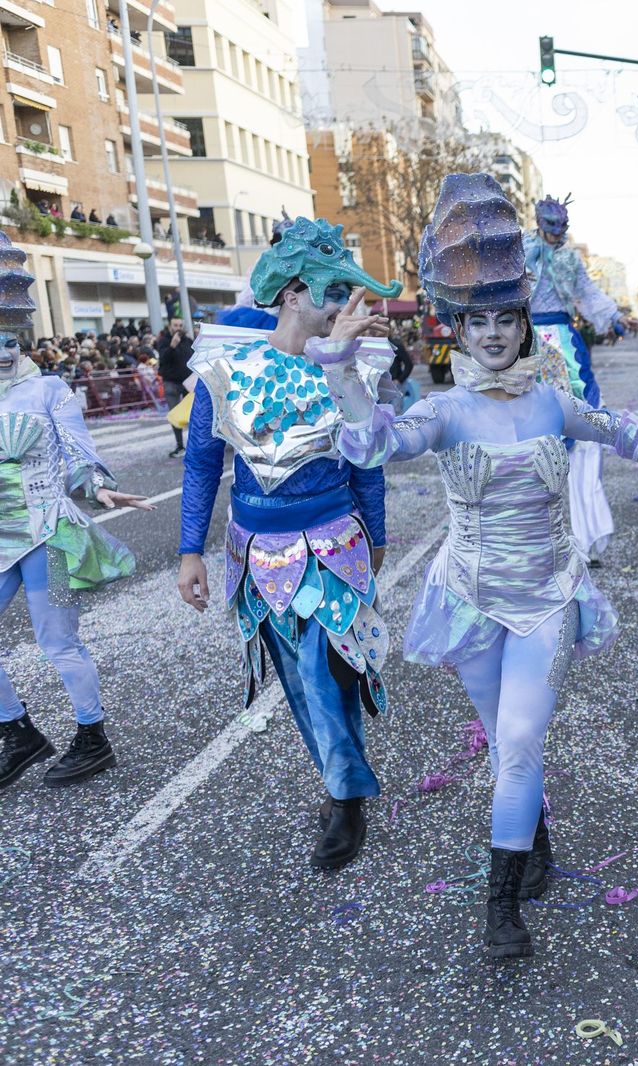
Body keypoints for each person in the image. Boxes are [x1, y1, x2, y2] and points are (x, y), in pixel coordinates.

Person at [317, 173, 638, 961]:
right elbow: (372, 445)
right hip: (470, 601)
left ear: (524, 324)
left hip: (547, 597)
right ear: (457, 330)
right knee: (503, 742)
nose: (493, 333)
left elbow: (618, 429)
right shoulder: (445, 411)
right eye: (478, 320)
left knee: (521, 740)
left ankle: (500, 910)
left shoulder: (552, 401)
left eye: (505, 319)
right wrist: (337, 369)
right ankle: (538, 843)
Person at [177, 215, 403, 871]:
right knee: (298, 683)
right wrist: (191, 549)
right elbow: (199, 466)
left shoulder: (349, 369)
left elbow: (368, 463)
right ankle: (340, 782)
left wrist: (378, 535)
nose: (341, 308)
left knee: (327, 672)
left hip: (334, 546)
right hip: (258, 551)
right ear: (296, 291)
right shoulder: (224, 369)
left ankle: (346, 797)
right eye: (334, 293)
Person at [0, 234, 152, 789]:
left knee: (57, 641)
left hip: (50, 535)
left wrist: (97, 487)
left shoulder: (49, 390)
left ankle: (93, 737)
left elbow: (78, 454)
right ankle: (18, 731)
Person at [522, 195, 629, 567]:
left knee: (584, 435)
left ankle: (586, 538)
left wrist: (613, 316)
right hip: (525, 345)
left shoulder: (570, 259)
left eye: (561, 227)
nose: (556, 234)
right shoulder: (520, 249)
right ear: (538, 222)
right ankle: (532, 542)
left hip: (564, 346)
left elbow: (588, 292)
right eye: (550, 226)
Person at [156, 320, 193, 456]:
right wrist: (172, 346)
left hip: (187, 383)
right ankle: (180, 446)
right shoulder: (164, 340)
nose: (178, 328)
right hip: (171, 382)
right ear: (170, 327)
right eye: (175, 325)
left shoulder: (187, 341)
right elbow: (163, 359)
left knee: (192, 415)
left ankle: (193, 445)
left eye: (180, 326)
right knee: (175, 415)